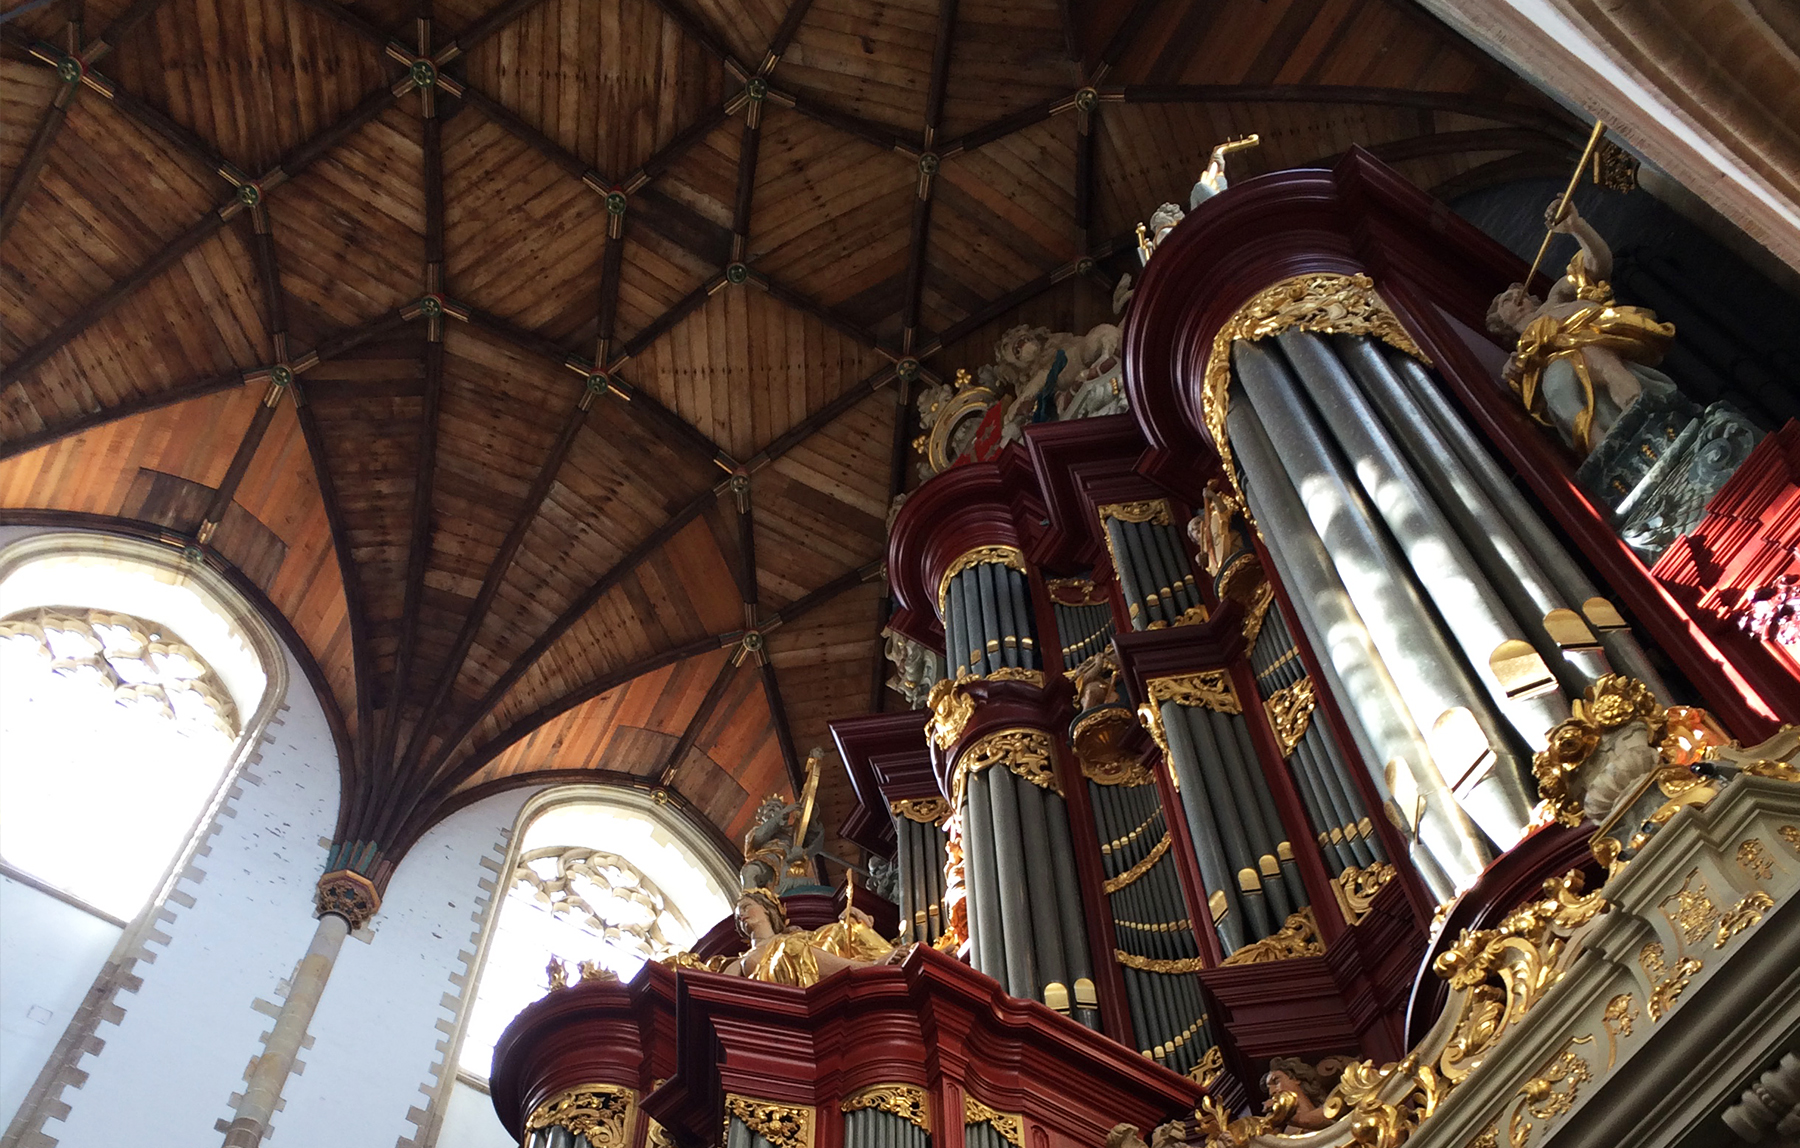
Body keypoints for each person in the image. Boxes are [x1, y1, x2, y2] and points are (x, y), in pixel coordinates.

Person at [1486, 200, 1677, 456]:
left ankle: (1645, 413)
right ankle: (1607, 453)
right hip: (1555, 368)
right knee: (1564, 400)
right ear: (1503, 324)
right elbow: (1521, 379)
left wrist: (1577, 227)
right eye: (1506, 301)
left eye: (1517, 292)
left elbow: (1598, 264)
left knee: (1603, 363)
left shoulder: (1555, 300)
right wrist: (1515, 371)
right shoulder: (1522, 352)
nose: (1515, 298)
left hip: (1588, 341)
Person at [719, 889, 906, 987]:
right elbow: (726, 988)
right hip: (779, 989)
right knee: (790, 947)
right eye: (737, 915)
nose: (741, 915)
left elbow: (828, 939)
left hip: (803, 964)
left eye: (746, 907)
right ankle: (870, 968)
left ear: (767, 909)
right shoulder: (743, 958)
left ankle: (898, 960)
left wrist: (848, 919)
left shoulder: (796, 936)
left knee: (847, 927)